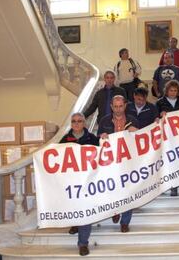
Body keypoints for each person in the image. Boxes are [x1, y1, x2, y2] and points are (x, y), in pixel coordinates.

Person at [97, 95, 139, 233]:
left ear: (125, 106)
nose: (118, 109)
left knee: (128, 191)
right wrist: (101, 136)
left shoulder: (133, 119)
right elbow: (98, 140)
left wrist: (136, 132)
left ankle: (125, 222)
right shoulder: (104, 120)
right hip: (111, 162)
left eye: (121, 106)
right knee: (112, 188)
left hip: (128, 161)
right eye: (115, 106)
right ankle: (115, 211)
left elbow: (141, 140)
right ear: (111, 107)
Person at [59, 113, 99, 256]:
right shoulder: (64, 140)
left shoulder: (93, 139)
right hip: (72, 183)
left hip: (88, 183)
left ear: (84, 123)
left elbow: (101, 158)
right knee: (74, 208)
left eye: (79, 121)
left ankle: (83, 243)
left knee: (85, 211)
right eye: (74, 121)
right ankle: (75, 223)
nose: (76, 124)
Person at [155, 80, 179, 199]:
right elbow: (155, 119)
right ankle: (173, 187)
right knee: (171, 162)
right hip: (167, 138)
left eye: (175, 90)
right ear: (166, 90)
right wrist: (160, 115)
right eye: (171, 90)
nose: (173, 92)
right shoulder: (159, 103)